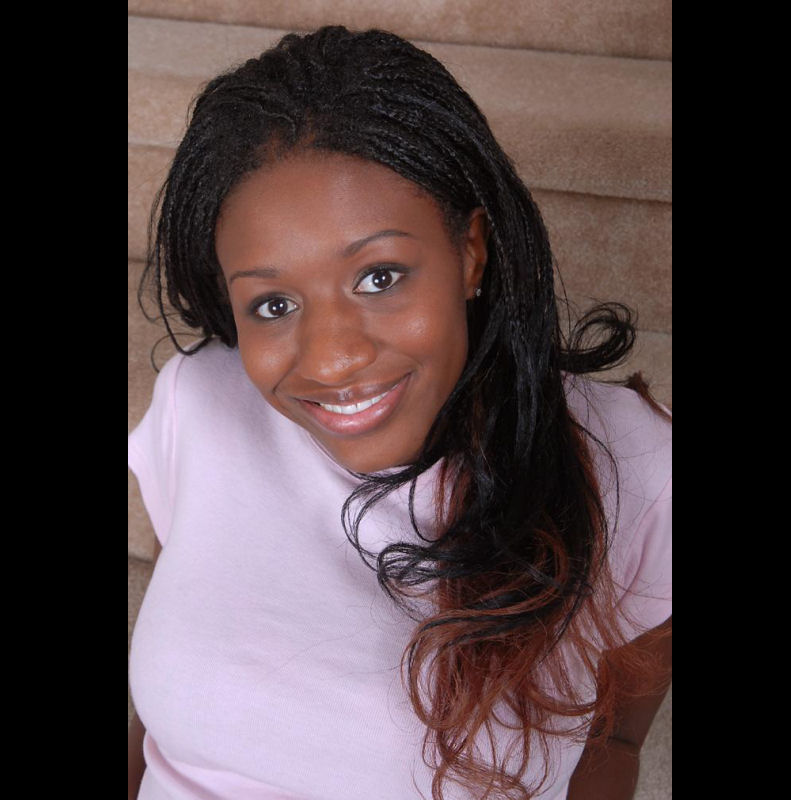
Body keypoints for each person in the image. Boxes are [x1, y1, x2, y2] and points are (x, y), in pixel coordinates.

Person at [128, 25, 671, 800]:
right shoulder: (201, 401)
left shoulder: (636, 468)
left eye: (379, 277)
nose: (331, 360)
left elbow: (614, 739)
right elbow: (159, 719)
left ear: (471, 252)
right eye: (273, 303)